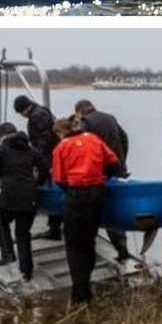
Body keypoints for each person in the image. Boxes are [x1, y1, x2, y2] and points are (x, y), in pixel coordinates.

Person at [52, 114, 122, 305]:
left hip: (76, 195)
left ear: (61, 132)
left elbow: (59, 179)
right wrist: (102, 179)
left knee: (74, 244)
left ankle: (79, 291)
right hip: (97, 194)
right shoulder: (93, 138)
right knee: (89, 240)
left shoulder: (61, 147)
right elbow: (114, 164)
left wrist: (72, 191)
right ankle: (86, 286)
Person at [0, 121, 49, 282]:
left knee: (0, 220)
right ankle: (27, 271)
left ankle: (8, 254)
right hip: (30, 196)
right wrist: (38, 183)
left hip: (10, 195)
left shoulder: (0, 150)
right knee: (23, 233)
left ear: (2, 136)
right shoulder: (30, 149)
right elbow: (45, 167)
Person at [74, 99, 131, 261]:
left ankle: (90, 250)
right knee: (115, 207)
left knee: (100, 209)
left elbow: (84, 147)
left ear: (79, 112)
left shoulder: (86, 122)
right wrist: (121, 160)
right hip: (117, 169)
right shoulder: (110, 117)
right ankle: (122, 248)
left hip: (98, 173)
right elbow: (124, 138)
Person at [14, 95, 62, 240]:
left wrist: (35, 157)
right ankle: (55, 226)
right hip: (51, 156)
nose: (22, 116)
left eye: (20, 113)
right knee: (54, 189)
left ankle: (54, 229)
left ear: (25, 109)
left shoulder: (37, 116)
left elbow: (44, 139)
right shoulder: (42, 111)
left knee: (44, 188)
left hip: (47, 158)